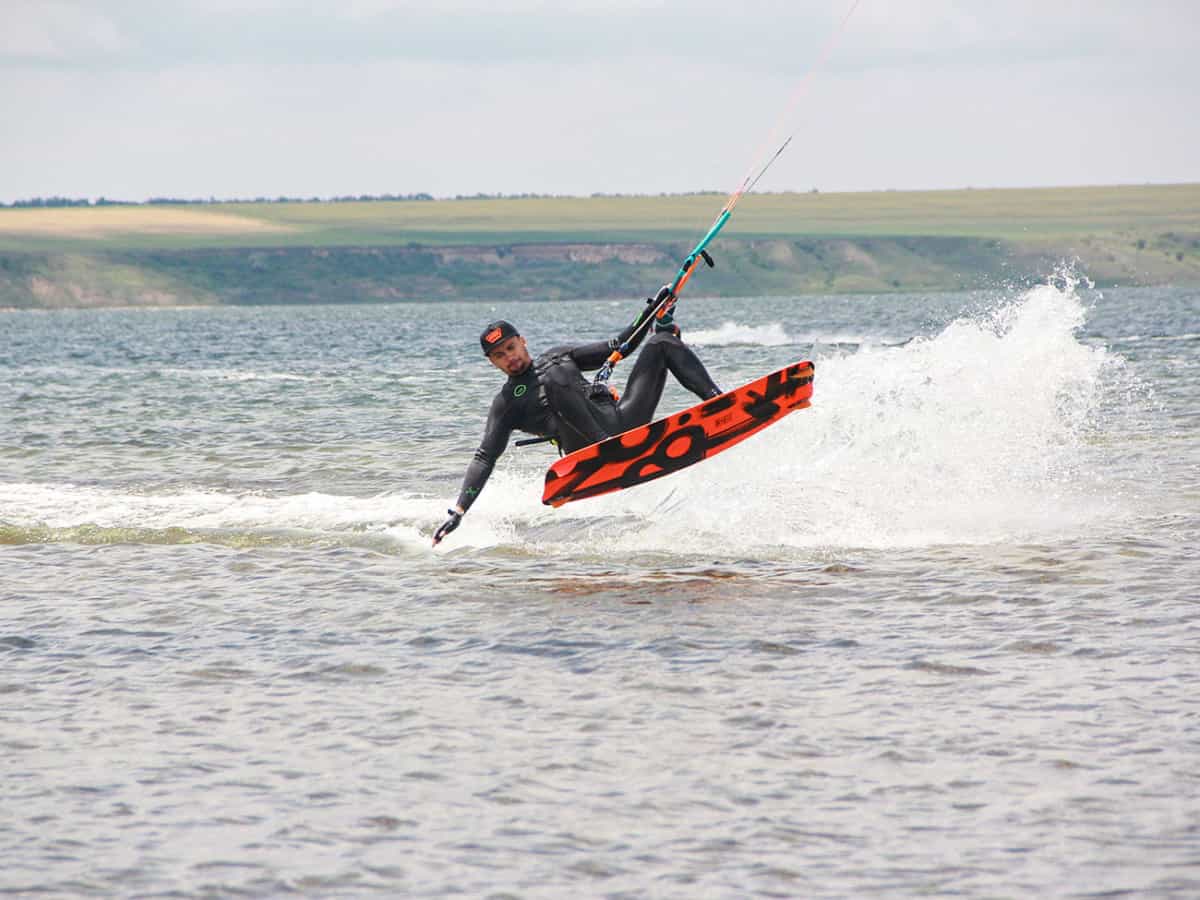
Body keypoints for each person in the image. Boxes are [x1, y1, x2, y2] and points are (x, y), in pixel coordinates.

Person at [432, 288, 722, 545]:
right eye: (499, 355)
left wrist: (651, 311)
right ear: (492, 363)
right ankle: (608, 448)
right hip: (589, 450)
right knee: (554, 375)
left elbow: (619, 346)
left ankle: (719, 403)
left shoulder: (559, 355)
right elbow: (485, 456)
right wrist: (458, 511)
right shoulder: (508, 402)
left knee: (661, 342)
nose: (510, 357)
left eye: (510, 347)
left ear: (522, 341)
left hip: (622, 423)